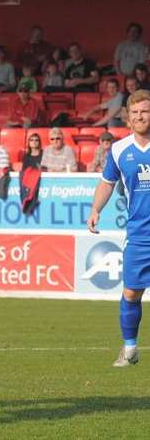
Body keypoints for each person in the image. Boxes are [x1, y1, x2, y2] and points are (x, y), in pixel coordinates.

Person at [88, 90, 150, 367]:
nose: (140, 116)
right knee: (131, 293)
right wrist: (95, 209)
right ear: (128, 117)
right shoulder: (118, 150)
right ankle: (129, 349)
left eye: (145, 111)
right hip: (139, 236)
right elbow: (107, 183)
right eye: (135, 112)